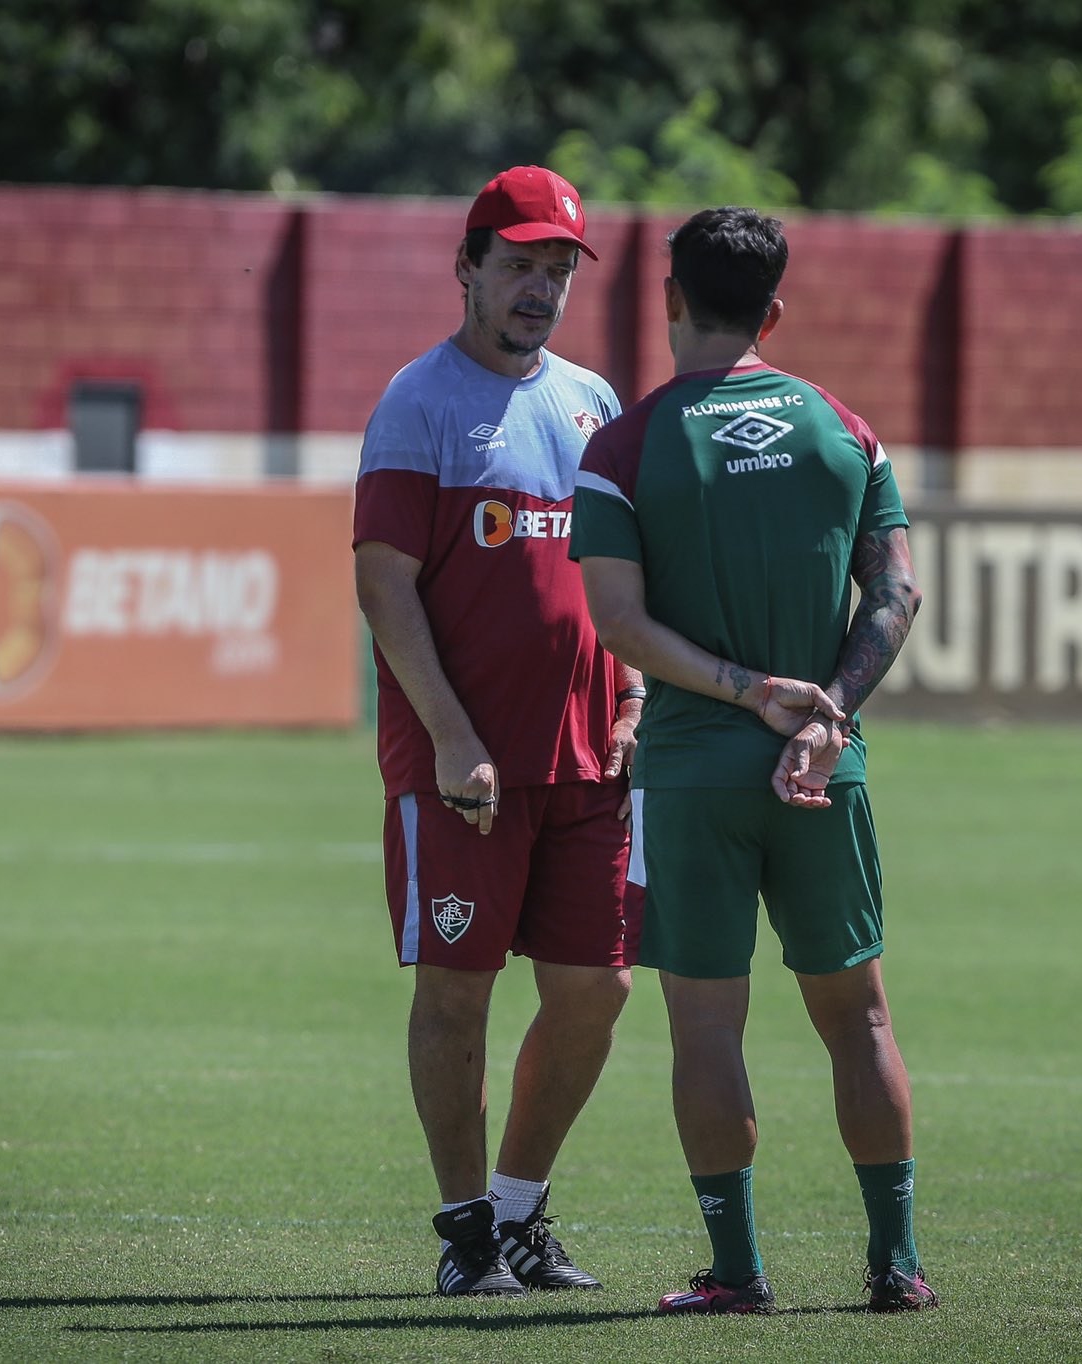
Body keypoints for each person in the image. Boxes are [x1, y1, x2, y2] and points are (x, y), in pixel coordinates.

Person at [569, 206, 936, 1315]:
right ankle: (896, 1264)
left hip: (691, 776)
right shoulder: (843, 431)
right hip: (824, 774)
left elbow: (618, 625)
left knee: (704, 1025)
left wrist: (740, 690)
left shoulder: (623, 445)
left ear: (669, 300)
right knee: (860, 1017)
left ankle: (736, 1272)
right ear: (773, 311)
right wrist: (824, 717)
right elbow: (897, 591)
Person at [352, 165, 643, 1298]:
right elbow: (384, 586)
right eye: (517, 264)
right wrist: (451, 735)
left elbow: (622, 575)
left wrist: (630, 696)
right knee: (455, 994)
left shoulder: (593, 402)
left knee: (597, 990)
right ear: (466, 266)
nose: (538, 288)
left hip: (587, 759)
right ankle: (465, 1231)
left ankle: (518, 1210)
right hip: (461, 766)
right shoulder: (416, 401)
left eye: (557, 268)